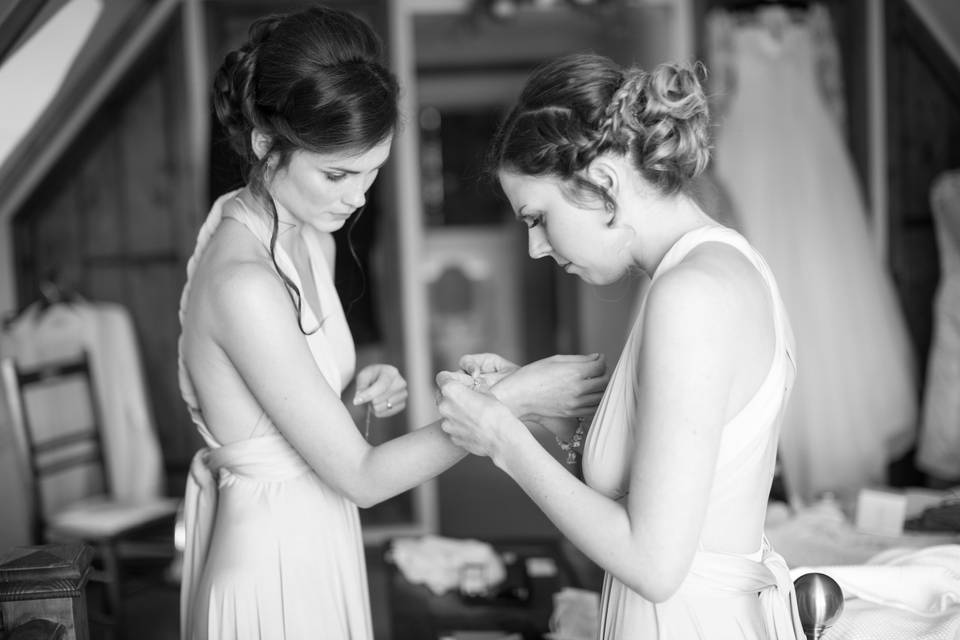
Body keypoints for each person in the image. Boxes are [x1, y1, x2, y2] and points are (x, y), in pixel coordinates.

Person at [176, 7, 607, 639]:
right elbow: (362, 476)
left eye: (372, 171)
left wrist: (346, 400)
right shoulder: (242, 281)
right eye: (337, 174)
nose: (357, 197)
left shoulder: (306, 238)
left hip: (319, 533)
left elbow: (283, 427)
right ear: (266, 145)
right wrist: (512, 400)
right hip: (272, 560)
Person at [436, 53, 806, 639]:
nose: (535, 248)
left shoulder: (690, 295)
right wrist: (556, 414)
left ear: (603, 184)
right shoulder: (714, 264)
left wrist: (502, 438)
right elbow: (673, 475)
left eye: (538, 218)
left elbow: (654, 565)